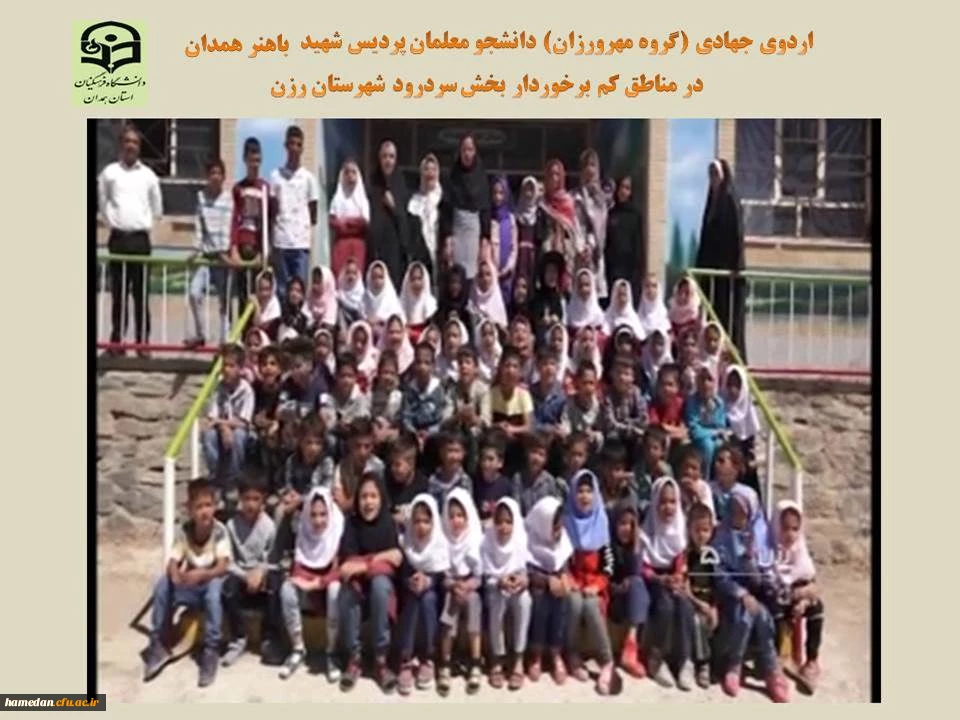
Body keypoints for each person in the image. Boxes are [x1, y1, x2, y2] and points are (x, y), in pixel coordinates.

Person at [142, 479, 229, 687]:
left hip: (209, 585)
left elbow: (223, 566)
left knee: (214, 590)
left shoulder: (219, 531)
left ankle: (211, 650)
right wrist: (174, 575)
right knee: (162, 584)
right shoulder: (184, 531)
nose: (205, 512)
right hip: (190, 587)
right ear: (190, 510)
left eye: (208, 505)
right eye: (199, 507)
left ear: (215, 507)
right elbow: (173, 561)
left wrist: (203, 574)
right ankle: (159, 642)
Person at [712, 485, 789, 702]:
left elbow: (766, 572)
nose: (738, 515)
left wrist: (751, 562)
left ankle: (771, 672)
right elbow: (718, 573)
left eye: (743, 511)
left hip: (756, 594)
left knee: (760, 615)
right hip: (730, 595)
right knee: (747, 613)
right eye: (734, 509)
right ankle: (735, 667)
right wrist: (741, 594)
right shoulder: (722, 536)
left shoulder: (759, 537)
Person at [99, 123, 163, 356]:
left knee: (141, 295)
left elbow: (157, 209)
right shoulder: (109, 173)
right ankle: (117, 341)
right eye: (127, 141)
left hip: (140, 241)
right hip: (118, 239)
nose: (131, 146)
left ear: (139, 146)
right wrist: (113, 223)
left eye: (135, 142)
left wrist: (143, 225)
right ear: (121, 144)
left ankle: (142, 343)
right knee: (119, 294)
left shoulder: (149, 176)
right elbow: (102, 203)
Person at [337, 474, 403, 693]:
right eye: (364, 496)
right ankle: (354, 658)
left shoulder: (387, 524)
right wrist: (378, 559)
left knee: (380, 585)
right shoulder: (352, 524)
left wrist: (364, 564)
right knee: (347, 591)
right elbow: (347, 567)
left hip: (380, 589)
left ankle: (381, 660)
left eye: (373, 496)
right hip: (357, 587)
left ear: (381, 498)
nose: (368, 502)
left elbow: (396, 559)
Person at [276, 486, 344, 681]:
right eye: (313, 514)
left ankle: (331, 652)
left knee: (335, 590)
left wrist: (317, 583)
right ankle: (298, 649)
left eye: (323, 514)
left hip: (327, 588)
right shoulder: (304, 532)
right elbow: (298, 569)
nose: (318, 521)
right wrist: (300, 580)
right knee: (287, 589)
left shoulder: (338, 530)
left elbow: (340, 571)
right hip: (310, 589)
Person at [639, 476, 696, 690]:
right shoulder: (647, 530)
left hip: (673, 578)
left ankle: (685, 662)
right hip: (652, 580)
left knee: (684, 605)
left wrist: (679, 576)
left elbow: (681, 556)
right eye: (662, 502)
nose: (668, 507)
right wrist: (660, 579)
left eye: (672, 501)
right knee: (665, 606)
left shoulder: (680, 527)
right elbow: (642, 566)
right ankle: (656, 660)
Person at [562, 469, 615, 695]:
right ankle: (572, 654)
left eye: (589, 491)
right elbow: (562, 559)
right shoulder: (567, 521)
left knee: (592, 605)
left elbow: (609, 565)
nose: (584, 496)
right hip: (574, 582)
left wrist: (598, 585)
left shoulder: (601, 521)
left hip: (595, 585)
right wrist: (568, 577)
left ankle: (607, 661)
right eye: (580, 491)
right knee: (574, 603)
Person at [397, 494, 450, 695]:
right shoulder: (405, 542)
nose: (421, 526)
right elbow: (400, 572)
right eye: (417, 521)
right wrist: (409, 581)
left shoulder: (439, 543)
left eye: (426, 521)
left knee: (428, 599)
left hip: (433, 593)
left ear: (434, 522)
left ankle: (428, 657)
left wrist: (428, 581)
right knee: (412, 600)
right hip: (408, 591)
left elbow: (441, 574)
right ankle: (406, 659)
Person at [222, 474, 276, 668]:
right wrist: (245, 576)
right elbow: (227, 561)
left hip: (261, 578)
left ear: (263, 500)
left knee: (275, 584)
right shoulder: (231, 526)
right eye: (247, 499)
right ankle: (238, 639)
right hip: (241, 577)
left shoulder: (269, 527)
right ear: (240, 499)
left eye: (256, 499)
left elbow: (272, 559)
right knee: (227, 586)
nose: (251, 504)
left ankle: (268, 639)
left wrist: (260, 572)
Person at [696, 159, 746, 359]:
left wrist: (736, 267)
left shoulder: (730, 200)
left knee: (729, 320)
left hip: (728, 275)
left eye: (716, 174)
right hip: (712, 274)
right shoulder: (712, 202)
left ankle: (733, 359)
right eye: (711, 175)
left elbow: (736, 236)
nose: (713, 179)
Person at [772, 500, 824, 695]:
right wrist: (795, 596)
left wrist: (803, 600)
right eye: (785, 528)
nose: (790, 534)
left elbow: (813, 584)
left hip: (798, 598)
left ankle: (811, 661)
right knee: (776, 607)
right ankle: (781, 658)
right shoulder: (770, 550)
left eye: (795, 529)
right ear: (777, 526)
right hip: (778, 598)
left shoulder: (800, 550)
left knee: (817, 607)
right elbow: (771, 584)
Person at [438, 488, 485, 696]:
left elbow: (480, 575)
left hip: (470, 587)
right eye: (451, 516)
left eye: (460, 516)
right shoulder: (443, 540)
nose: (456, 521)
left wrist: (467, 586)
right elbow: (441, 572)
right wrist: (453, 585)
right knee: (450, 605)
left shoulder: (475, 539)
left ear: (468, 517)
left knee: (474, 602)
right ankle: (445, 662)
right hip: (451, 588)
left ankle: (475, 661)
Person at [482, 497, 532, 691]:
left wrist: (522, 580)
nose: (503, 527)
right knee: (498, 600)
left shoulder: (521, 540)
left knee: (524, 601)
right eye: (499, 522)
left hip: (516, 587)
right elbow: (486, 574)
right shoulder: (487, 542)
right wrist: (499, 581)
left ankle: (518, 659)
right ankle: (497, 658)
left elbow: (525, 571)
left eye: (508, 522)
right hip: (495, 588)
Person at [186, 157, 234, 349]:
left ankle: (225, 341)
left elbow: (228, 227)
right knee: (194, 292)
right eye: (212, 173)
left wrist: (225, 252)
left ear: (223, 176)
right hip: (206, 256)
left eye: (219, 173)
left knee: (224, 300)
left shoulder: (229, 199)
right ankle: (201, 334)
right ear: (207, 176)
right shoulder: (201, 197)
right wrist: (195, 250)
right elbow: (199, 227)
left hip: (222, 256)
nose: (215, 177)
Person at [524, 496, 573, 684]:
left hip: (556, 585)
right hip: (535, 585)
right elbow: (526, 569)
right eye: (554, 527)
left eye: (559, 526)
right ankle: (536, 654)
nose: (557, 531)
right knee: (539, 600)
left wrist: (564, 576)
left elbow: (563, 561)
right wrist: (547, 580)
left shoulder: (562, 537)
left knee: (561, 599)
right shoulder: (529, 538)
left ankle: (555, 653)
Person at [270, 125, 319, 298]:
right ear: (286, 146)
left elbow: (313, 213)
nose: (294, 148)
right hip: (281, 241)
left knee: (300, 289)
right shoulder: (276, 176)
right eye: (291, 144)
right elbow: (273, 209)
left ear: (302, 148)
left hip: (301, 243)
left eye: (298, 144)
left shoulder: (309, 178)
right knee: (282, 290)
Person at [202, 344, 254, 488]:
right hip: (221, 430)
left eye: (231, 366)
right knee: (208, 435)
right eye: (224, 365)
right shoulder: (218, 388)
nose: (226, 370)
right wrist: (224, 427)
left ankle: (233, 480)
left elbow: (244, 422)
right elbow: (212, 417)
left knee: (239, 436)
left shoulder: (246, 390)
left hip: (240, 432)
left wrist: (223, 424)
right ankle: (216, 476)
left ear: (240, 369)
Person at [230, 137, 273, 313]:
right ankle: (242, 328)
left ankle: (257, 327)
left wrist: (264, 251)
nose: (254, 165)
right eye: (251, 160)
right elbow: (234, 220)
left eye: (257, 160)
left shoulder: (265, 188)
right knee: (242, 293)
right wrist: (234, 248)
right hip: (243, 245)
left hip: (258, 247)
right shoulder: (238, 188)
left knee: (258, 293)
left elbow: (268, 221)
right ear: (245, 160)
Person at [609, 502, 650, 679]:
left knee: (637, 583)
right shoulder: (608, 547)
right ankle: (631, 649)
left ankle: (630, 645)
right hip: (613, 600)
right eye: (622, 523)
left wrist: (636, 546)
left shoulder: (634, 546)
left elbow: (636, 571)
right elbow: (605, 578)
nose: (627, 529)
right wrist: (618, 587)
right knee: (637, 584)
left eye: (631, 524)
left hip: (630, 599)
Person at [442, 134, 491, 282]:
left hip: (474, 232)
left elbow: (485, 209)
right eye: (464, 150)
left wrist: (484, 240)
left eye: (470, 149)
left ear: (475, 151)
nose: (467, 154)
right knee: (456, 275)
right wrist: (448, 238)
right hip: (457, 229)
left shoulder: (481, 177)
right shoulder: (452, 176)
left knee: (473, 275)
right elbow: (447, 209)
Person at [368, 139, 415, 289]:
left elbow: (406, 221)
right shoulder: (372, 184)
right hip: (376, 248)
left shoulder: (401, 186)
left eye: (391, 156)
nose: (388, 161)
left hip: (395, 249)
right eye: (385, 156)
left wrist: (394, 207)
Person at [684, 502, 719, 689]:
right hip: (694, 603)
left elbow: (718, 585)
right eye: (697, 530)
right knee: (697, 620)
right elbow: (686, 587)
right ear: (689, 529)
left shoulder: (713, 556)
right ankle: (702, 663)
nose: (701, 535)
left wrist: (714, 607)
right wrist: (699, 604)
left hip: (710, 603)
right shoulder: (686, 556)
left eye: (705, 530)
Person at [540, 159, 587, 292]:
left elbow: (575, 227)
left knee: (566, 285)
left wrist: (580, 247)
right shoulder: (542, 202)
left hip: (567, 249)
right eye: (551, 174)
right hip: (548, 247)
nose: (554, 178)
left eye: (557, 174)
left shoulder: (568, 201)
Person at [573, 149, 610, 299]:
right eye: (586, 165)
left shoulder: (602, 199)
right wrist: (581, 248)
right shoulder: (574, 196)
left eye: (593, 165)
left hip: (596, 254)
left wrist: (591, 245)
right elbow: (574, 224)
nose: (590, 169)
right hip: (579, 254)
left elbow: (600, 226)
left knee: (595, 296)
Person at [401, 342, 448, 453]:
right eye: (418, 362)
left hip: (434, 435)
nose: (422, 367)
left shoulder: (438, 389)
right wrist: (414, 432)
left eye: (427, 363)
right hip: (413, 435)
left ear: (433, 366)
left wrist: (429, 433)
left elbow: (442, 418)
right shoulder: (409, 390)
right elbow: (406, 416)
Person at [723, 365, 762, 498]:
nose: (732, 390)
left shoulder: (748, 409)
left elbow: (752, 437)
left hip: (745, 457)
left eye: (737, 385)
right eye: (729, 385)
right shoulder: (720, 406)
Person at [604, 176, 645, 303]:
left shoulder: (635, 215)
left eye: (627, 188)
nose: (623, 191)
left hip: (630, 268)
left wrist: (638, 269)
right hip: (613, 268)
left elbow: (638, 243)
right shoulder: (611, 213)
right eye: (621, 187)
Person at [328, 157, 370, 277]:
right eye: (347, 172)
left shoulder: (362, 199)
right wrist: (351, 223)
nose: (350, 175)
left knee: (356, 276)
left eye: (353, 172)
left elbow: (364, 222)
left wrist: (346, 222)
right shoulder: (337, 199)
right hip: (341, 244)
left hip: (357, 245)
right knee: (339, 275)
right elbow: (332, 222)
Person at [332, 419, 384, 513]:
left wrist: (350, 501)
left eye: (367, 446)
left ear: (373, 445)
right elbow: (340, 506)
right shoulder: (341, 468)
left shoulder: (379, 468)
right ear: (350, 444)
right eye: (357, 446)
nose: (362, 452)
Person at [684, 366, 729, 473]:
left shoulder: (718, 403)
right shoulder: (692, 402)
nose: (705, 384)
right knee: (707, 446)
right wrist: (713, 432)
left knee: (722, 446)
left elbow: (721, 425)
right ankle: (705, 475)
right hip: (699, 438)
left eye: (709, 380)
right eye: (702, 379)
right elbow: (694, 429)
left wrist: (719, 432)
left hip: (715, 438)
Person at [601, 356, 649, 454]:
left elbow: (643, 418)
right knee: (612, 437)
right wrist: (630, 427)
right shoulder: (607, 395)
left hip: (633, 433)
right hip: (616, 434)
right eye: (618, 373)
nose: (622, 378)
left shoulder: (636, 392)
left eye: (626, 374)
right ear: (611, 374)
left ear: (633, 378)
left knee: (643, 439)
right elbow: (610, 423)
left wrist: (628, 423)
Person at [511, 431, 566, 516]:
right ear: (527, 453)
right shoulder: (518, 478)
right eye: (533, 452)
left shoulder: (549, 481)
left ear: (546, 459)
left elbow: (553, 509)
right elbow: (516, 509)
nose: (536, 458)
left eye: (541, 454)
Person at [385, 431, 429, 534]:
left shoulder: (423, 485)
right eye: (391, 463)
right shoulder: (386, 481)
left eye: (398, 464)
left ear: (411, 464)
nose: (393, 469)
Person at [407, 153, 444, 275]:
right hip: (420, 255)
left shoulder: (443, 199)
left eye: (433, 169)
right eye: (426, 169)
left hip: (439, 253)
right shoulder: (414, 201)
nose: (430, 173)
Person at [559, 361, 604, 453]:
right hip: (573, 445)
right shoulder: (569, 403)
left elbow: (601, 430)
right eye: (584, 383)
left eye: (591, 383)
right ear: (577, 383)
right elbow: (565, 425)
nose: (588, 388)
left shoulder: (599, 405)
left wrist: (593, 435)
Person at [472, 429, 513, 526]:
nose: (486, 463)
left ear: (500, 463)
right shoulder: (475, 483)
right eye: (483, 459)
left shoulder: (506, 486)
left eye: (490, 459)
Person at [710, 443, 759, 523]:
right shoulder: (708, 489)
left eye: (721, 461)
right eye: (715, 461)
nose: (716, 464)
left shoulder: (748, 494)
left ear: (735, 466)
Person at [513, 175, 545, 297]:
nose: (528, 193)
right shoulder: (516, 213)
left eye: (531, 189)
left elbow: (540, 237)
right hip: (519, 254)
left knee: (531, 282)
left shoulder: (539, 214)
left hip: (532, 254)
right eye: (526, 189)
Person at [631, 426, 670, 520]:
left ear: (662, 451)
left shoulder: (666, 470)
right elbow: (635, 493)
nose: (650, 452)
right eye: (648, 447)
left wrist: (664, 475)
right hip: (642, 508)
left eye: (655, 448)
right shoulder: (637, 469)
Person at [490, 175, 519, 300]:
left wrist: (507, 268)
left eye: (501, 193)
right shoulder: (488, 218)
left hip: (507, 274)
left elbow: (514, 247)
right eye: (495, 193)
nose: (498, 197)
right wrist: (492, 270)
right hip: (490, 274)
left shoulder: (511, 219)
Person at [529, 252, 567, 339]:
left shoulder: (560, 298)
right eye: (549, 272)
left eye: (554, 272)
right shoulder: (536, 297)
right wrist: (541, 321)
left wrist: (556, 319)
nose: (552, 276)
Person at [363, 260, 405, 338]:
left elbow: (399, 319)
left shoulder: (391, 298)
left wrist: (380, 320)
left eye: (380, 277)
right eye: (374, 277)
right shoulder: (364, 298)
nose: (377, 281)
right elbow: (361, 315)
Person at [427, 432, 473, 504]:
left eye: (457, 451)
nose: (454, 457)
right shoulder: (432, 480)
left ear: (464, 453)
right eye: (450, 451)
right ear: (441, 452)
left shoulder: (465, 481)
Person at [399, 261, 438, 344]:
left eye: (419, 279)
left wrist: (416, 335)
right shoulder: (400, 306)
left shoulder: (432, 306)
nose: (416, 283)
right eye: (413, 279)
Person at [677, 445, 717, 519]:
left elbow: (709, 515)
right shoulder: (675, 487)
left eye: (694, 468)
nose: (689, 471)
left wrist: (696, 495)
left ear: (700, 473)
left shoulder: (704, 488)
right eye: (686, 466)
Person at [468, 259, 509, 331]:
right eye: (481, 275)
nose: (485, 279)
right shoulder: (471, 304)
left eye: (488, 274)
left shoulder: (498, 305)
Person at [567, 268, 607, 339]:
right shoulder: (569, 312)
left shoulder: (598, 314)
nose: (584, 289)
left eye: (587, 285)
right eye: (580, 286)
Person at [345, 320, 378, 392]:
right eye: (356, 341)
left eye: (363, 342)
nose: (358, 345)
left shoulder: (375, 359)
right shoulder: (344, 359)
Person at [637, 273, 672, 338]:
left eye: (654, 286)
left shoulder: (665, 316)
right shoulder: (637, 318)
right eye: (647, 286)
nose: (650, 289)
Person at [641, 329, 673, 399]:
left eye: (660, 344)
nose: (656, 348)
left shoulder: (671, 368)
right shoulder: (641, 366)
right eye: (653, 343)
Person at [668, 277, 702, 343]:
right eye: (680, 292)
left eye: (687, 293)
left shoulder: (697, 318)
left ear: (693, 295)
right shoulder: (670, 314)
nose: (682, 296)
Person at [277, 276, 312, 340]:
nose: (294, 294)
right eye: (291, 290)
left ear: (302, 296)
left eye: (298, 291)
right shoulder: (279, 314)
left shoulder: (305, 319)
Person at [336, 258, 366, 331]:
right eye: (348, 272)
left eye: (354, 273)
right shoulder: (338, 296)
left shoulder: (363, 295)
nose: (351, 277)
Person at [252, 270, 282, 341]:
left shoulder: (274, 305)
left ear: (272, 289)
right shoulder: (253, 302)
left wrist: (257, 308)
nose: (264, 294)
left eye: (267, 289)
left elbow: (259, 328)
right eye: (261, 289)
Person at [307, 265, 338, 331]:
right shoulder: (310, 295)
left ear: (326, 283)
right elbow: (305, 312)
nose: (314, 286)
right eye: (314, 282)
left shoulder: (331, 300)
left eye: (318, 283)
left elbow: (329, 323)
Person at [475, 319, 503, 384]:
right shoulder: (476, 358)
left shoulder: (501, 354)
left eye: (491, 334)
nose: (488, 338)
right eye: (484, 334)